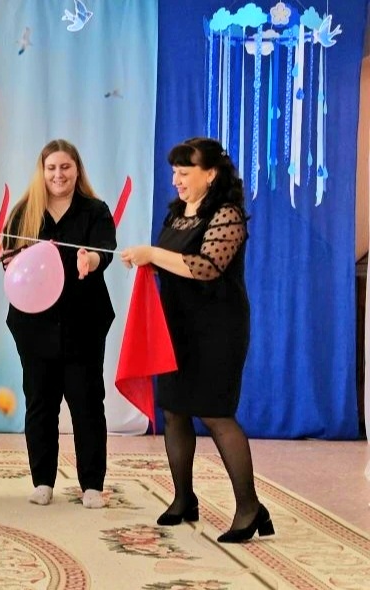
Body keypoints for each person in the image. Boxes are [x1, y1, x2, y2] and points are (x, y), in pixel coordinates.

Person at [121, 137, 272, 543]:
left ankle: (249, 507)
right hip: (176, 327)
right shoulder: (177, 213)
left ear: (211, 174)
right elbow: (173, 265)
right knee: (174, 411)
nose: (176, 180)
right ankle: (183, 499)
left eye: (184, 173)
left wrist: (152, 254)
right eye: (174, 172)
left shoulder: (227, 214)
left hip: (218, 329)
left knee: (217, 414)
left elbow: (205, 268)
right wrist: (147, 263)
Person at [0, 139, 116, 509]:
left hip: (84, 323)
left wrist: (90, 261)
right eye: (51, 168)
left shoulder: (95, 211)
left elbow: (105, 251)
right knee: (40, 404)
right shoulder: (24, 212)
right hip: (34, 326)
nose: (58, 174)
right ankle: (43, 481)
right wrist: (9, 263)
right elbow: (10, 261)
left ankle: (92, 484)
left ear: (77, 170)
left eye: (65, 167)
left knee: (87, 404)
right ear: (42, 171)